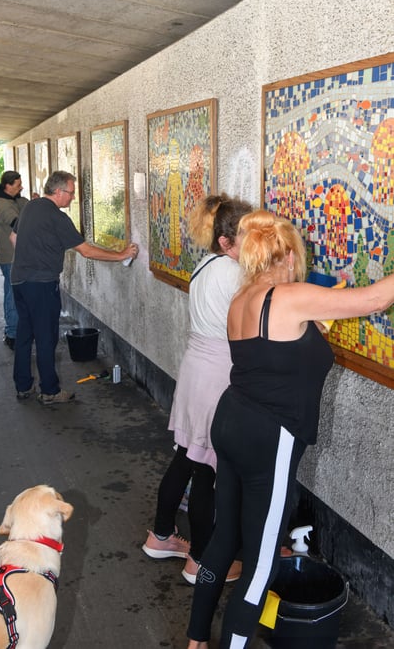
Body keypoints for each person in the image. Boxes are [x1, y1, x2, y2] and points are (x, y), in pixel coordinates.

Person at [186, 209, 394, 649]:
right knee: (261, 565)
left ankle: (196, 640)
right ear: (288, 255)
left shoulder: (243, 298)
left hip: (231, 420)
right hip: (269, 435)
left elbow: (274, 355)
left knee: (224, 538)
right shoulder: (289, 296)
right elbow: (376, 298)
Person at [142, 193, 252, 584]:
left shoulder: (206, 263)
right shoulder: (233, 271)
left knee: (188, 458)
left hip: (196, 370)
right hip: (218, 375)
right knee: (206, 470)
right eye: (249, 236)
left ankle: (161, 535)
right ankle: (202, 561)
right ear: (226, 241)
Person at [11, 170, 138, 405]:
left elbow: (13, 238)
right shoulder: (57, 218)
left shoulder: (30, 206)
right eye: (70, 193)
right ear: (58, 191)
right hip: (42, 284)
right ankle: (49, 391)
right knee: (46, 337)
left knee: (25, 333)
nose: (72, 198)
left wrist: (32, 254)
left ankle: (22, 385)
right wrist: (121, 255)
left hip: (19, 280)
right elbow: (86, 251)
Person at [0, 171, 28, 350]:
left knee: (19, 294)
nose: (21, 187)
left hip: (20, 256)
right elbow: (18, 224)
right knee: (12, 295)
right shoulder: (1, 204)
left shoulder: (17, 200)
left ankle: (19, 330)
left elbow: (27, 209)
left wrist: (36, 204)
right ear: (7, 185)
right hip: (10, 257)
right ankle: (12, 333)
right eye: (17, 184)